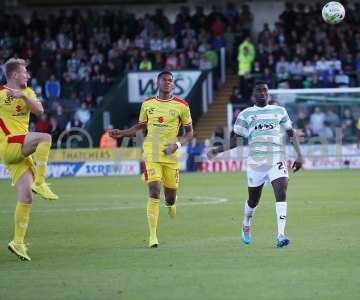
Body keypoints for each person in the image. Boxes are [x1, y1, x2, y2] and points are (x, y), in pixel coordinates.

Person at [207, 81, 304, 248]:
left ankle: (281, 234)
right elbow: (236, 141)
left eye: (265, 90)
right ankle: (246, 223)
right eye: (258, 91)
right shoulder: (246, 114)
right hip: (256, 163)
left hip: (277, 159)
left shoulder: (279, 111)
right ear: (253, 94)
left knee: (281, 193)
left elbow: (290, 133)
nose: (262, 93)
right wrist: (217, 150)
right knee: (253, 200)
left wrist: (299, 155)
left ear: (268, 93)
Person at [109, 71, 193, 248]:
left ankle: (171, 203)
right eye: (164, 80)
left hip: (171, 155)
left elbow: (190, 133)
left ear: (173, 84)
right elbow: (141, 126)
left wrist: (176, 145)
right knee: (154, 190)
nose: (168, 83)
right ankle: (152, 236)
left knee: (170, 197)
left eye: (171, 81)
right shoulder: (148, 104)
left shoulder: (182, 105)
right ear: (158, 82)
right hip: (151, 151)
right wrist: (122, 133)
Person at [0, 58, 58, 261]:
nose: (28, 75)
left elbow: (40, 111)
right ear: (14, 74)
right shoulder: (0, 95)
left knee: (26, 197)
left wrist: (23, 97)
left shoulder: (28, 92)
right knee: (45, 138)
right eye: (25, 72)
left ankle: (17, 242)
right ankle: (41, 182)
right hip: (8, 144)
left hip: (19, 149)